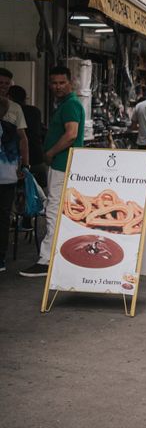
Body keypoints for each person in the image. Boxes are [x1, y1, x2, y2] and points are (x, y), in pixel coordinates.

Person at [20, 66, 84, 278]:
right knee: (61, 210)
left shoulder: (71, 105)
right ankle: (62, 254)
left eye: (61, 82)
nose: (57, 86)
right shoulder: (67, 104)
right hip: (66, 164)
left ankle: (47, 259)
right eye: (54, 83)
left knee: (54, 210)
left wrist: (50, 153)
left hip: (62, 164)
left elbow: (71, 134)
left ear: (70, 82)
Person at [0, 69, 30, 273]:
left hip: (7, 174)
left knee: (3, 216)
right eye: (0, 83)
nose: (3, 86)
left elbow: (22, 139)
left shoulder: (16, 109)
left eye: (6, 84)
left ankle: (0, 258)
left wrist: (24, 165)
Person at [7, 85, 46, 188]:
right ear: (25, 98)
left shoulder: (10, 113)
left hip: (18, 163)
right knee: (41, 194)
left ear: (9, 97)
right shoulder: (35, 111)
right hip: (38, 159)